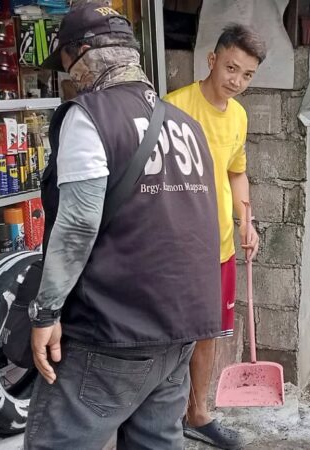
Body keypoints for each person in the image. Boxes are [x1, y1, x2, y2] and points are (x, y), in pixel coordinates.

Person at [25, 4, 221, 449]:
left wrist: (46, 312)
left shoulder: (90, 115)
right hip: (181, 326)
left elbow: (78, 224)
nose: (69, 77)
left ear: (80, 54)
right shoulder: (186, 125)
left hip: (112, 331)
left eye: (66, 64)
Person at [163, 24, 265, 450]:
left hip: (219, 245)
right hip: (176, 247)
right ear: (212, 60)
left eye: (247, 75)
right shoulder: (173, 108)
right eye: (231, 68)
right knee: (168, 333)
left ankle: (197, 413)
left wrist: (246, 220)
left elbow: (236, 172)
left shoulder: (238, 116)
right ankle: (156, 416)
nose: (236, 81)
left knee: (208, 333)